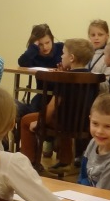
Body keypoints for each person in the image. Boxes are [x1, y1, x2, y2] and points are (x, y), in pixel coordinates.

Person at [18, 37, 94, 169]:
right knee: (66, 118)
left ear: (71, 58)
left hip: (62, 122)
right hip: (84, 123)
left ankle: (31, 162)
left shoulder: (64, 78)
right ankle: (65, 160)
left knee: (26, 120)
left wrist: (39, 123)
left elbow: (51, 108)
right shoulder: (93, 77)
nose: (61, 56)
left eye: (63, 53)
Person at [78, 94, 110, 192]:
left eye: (108, 126)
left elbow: (102, 195)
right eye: (95, 123)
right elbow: (83, 176)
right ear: (90, 119)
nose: (99, 131)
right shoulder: (93, 142)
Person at [15, 23, 64, 123]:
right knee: (14, 106)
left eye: (47, 42)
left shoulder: (61, 48)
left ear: (52, 40)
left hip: (59, 96)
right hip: (41, 96)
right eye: (40, 44)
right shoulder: (34, 54)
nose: (45, 47)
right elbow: (22, 62)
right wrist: (33, 47)